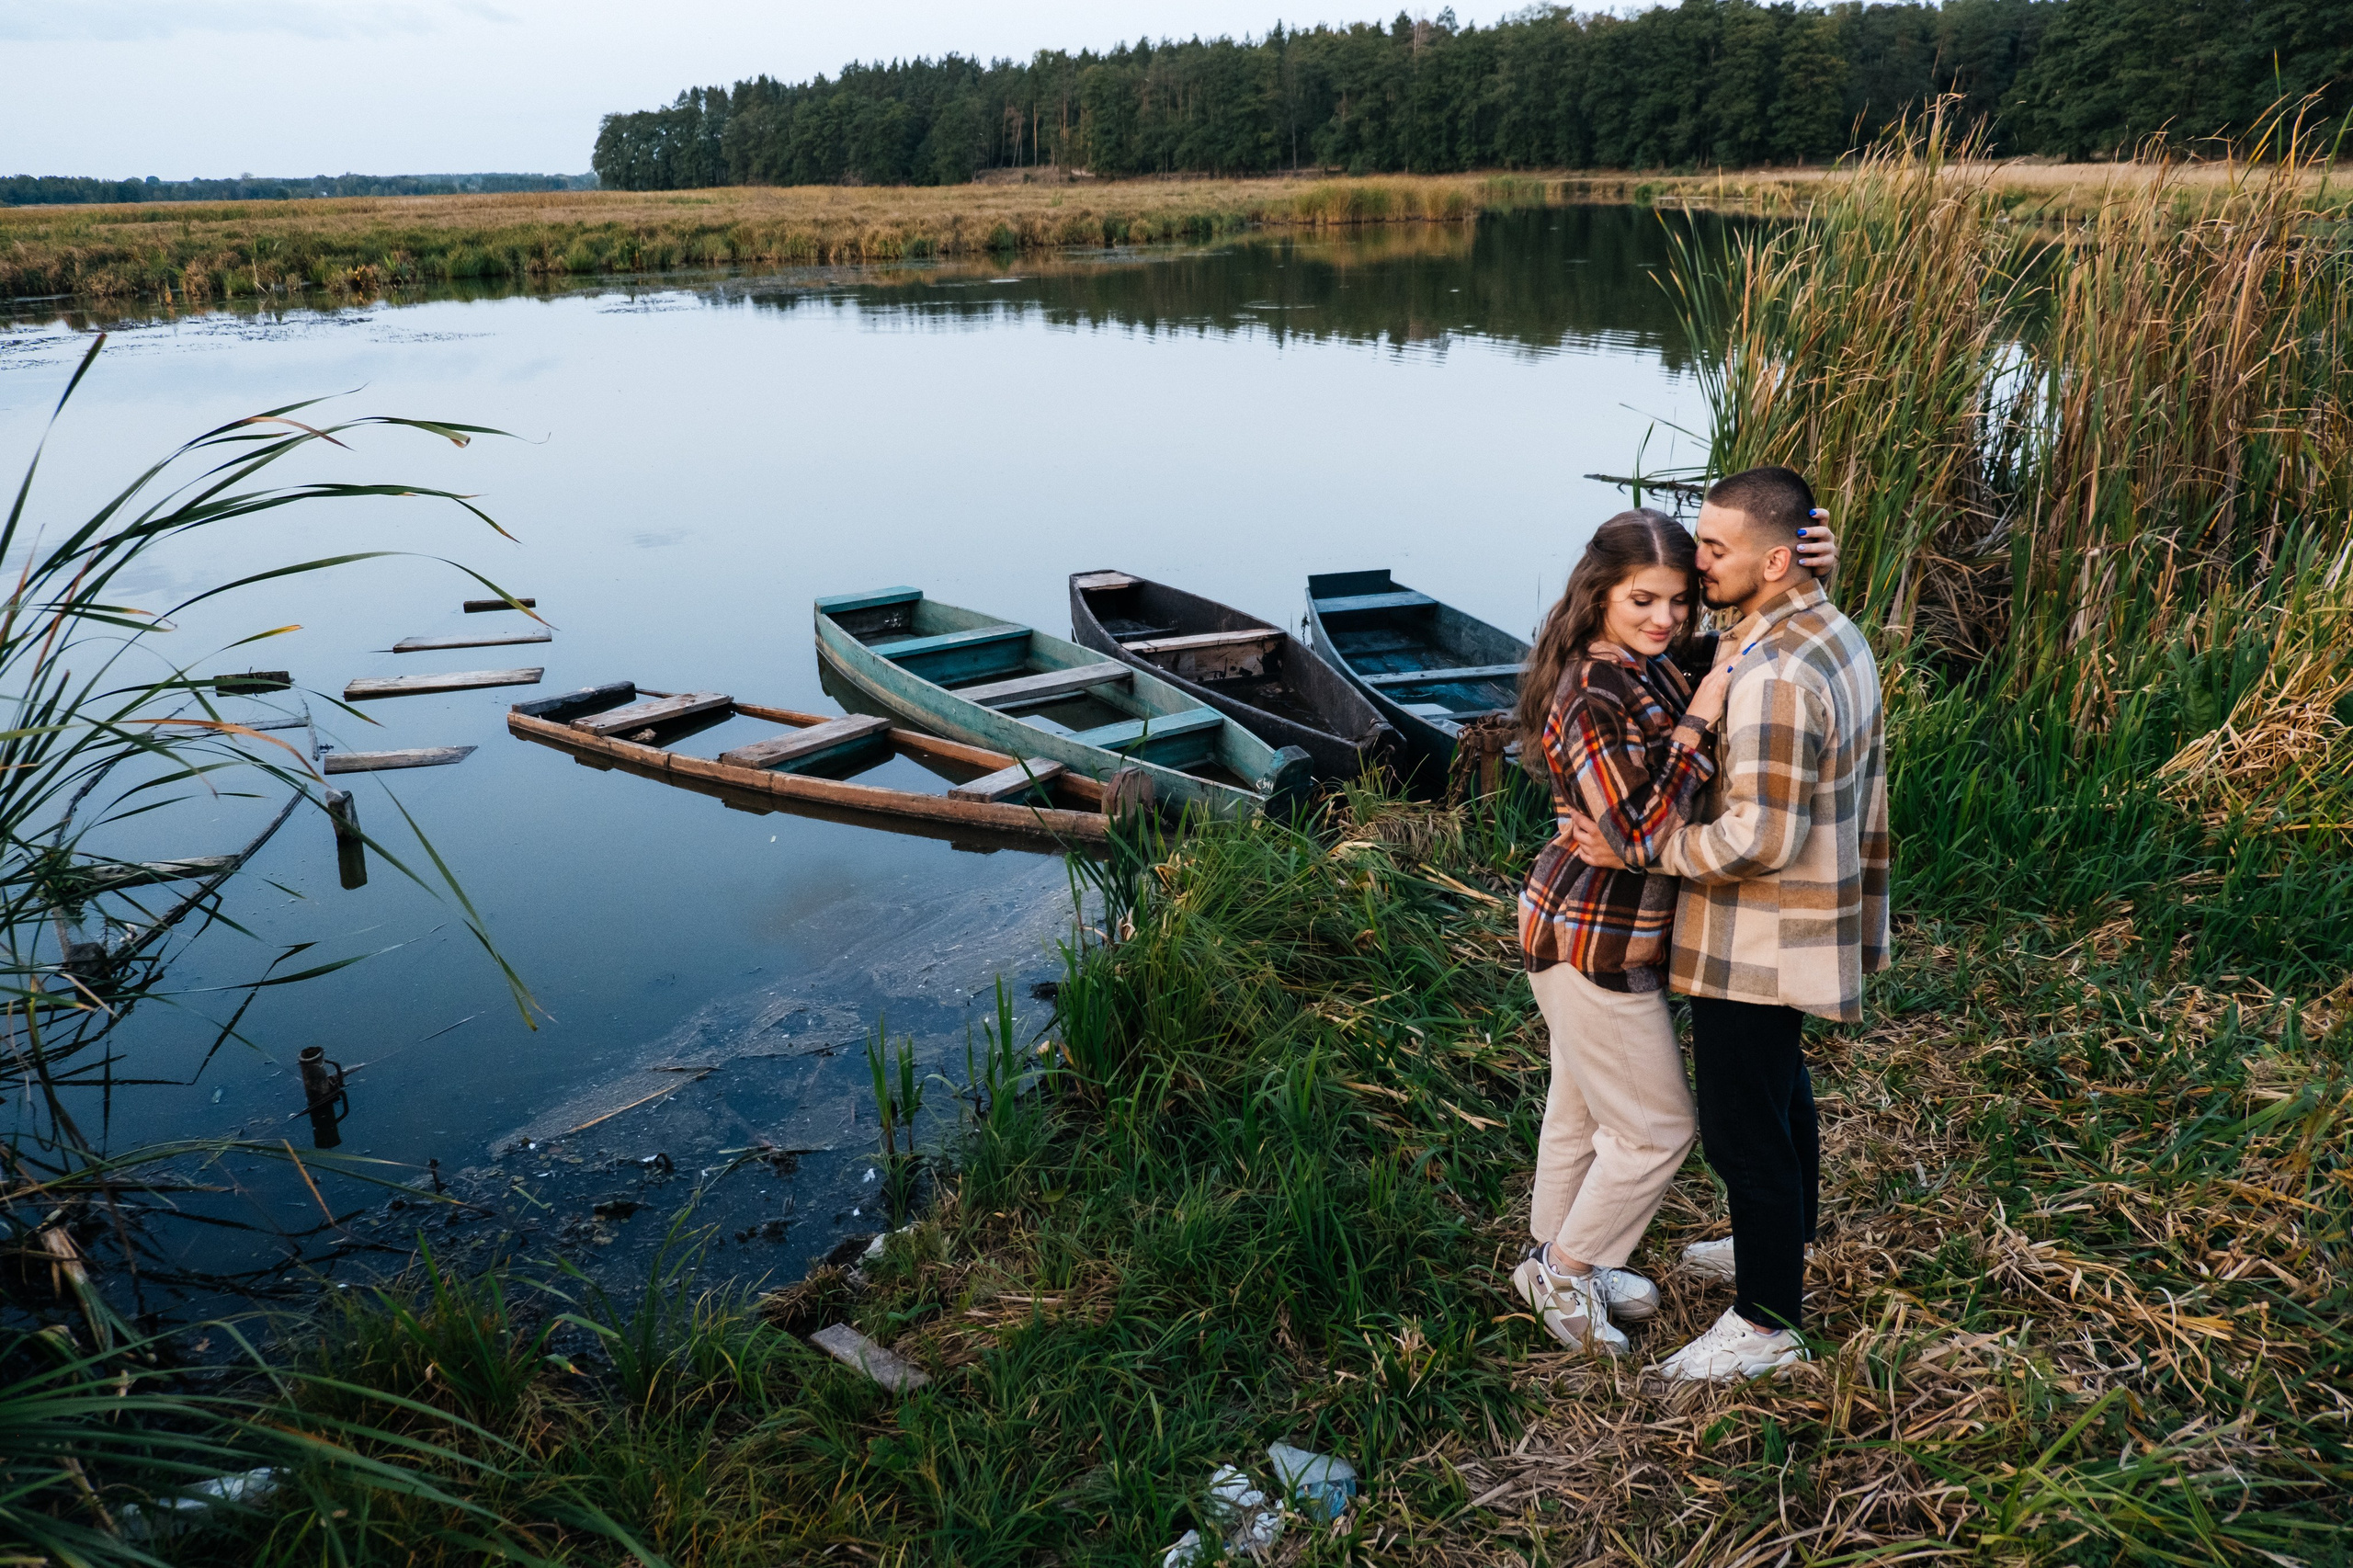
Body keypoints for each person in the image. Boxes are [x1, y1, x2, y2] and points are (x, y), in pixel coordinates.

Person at [1567, 465, 1889, 1383]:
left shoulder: (1776, 672)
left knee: (1740, 1125)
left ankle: (1766, 1320)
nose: (1696, 562)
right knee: (1781, 1090)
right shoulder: (1823, 626)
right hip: (1807, 917)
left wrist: (1645, 847)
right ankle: (1788, 1240)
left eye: (1713, 549)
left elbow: (1760, 835)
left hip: (1758, 932)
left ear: (1774, 558)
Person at [1511, 505, 1839, 1356]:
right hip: (1591, 934)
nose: (1667, 620)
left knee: (1580, 1109)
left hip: (1608, 925)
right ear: (1598, 599)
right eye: (1643, 602)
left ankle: (1557, 1260)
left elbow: (1751, 627)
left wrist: (1808, 570)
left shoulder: (1651, 662)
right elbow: (1633, 832)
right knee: (1658, 1130)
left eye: (1680, 603)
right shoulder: (1592, 689)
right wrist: (1701, 716)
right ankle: (1567, 1269)